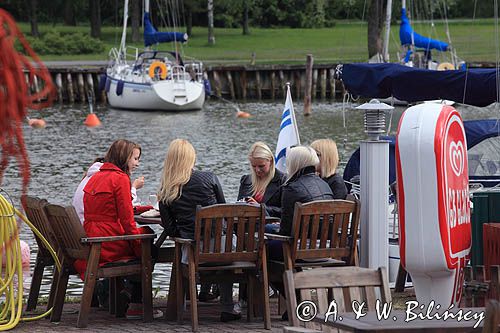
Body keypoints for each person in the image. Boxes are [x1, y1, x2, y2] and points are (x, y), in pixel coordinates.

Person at [74, 139, 160, 320]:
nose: (137, 163)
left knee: (144, 241)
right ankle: (136, 303)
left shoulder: (96, 176)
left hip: (93, 240)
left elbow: (110, 208)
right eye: (135, 158)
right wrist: (140, 240)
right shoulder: (120, 178)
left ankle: (125, 294)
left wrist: (144, 209)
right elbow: (128, 223)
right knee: (148, 243)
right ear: (125, 157)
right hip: (107, 244)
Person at [157, 139, 240, 322]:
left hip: (194, 251)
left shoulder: (166, 189)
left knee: (197, 251)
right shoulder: (209, 178)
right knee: (223, 251)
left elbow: (170, 229)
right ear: (191, 158)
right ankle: (228, 306)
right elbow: (223, 210)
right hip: (226, 248)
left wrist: (188, 232)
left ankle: (185, 306)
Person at [267, 146, 333, 319]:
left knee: (262, 253)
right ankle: (302, 298)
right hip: (326, 247)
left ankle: (298, 300)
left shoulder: (292, 188)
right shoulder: (324, 184)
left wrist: (271, 230)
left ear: (294, 162)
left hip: (300, 248)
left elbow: (286, 231)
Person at [72, 157, 145, 224]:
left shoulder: (92, 175)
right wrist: (134, 188)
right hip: (92, 230)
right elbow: (125, 207)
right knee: (146, 231)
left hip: (81, 227)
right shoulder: (105, 177)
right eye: (135, 159)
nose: (137, 164)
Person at [238, 141, 286, 233]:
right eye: (253, 166)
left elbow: (285, 211)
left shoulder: (283, 180)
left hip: (270, 229)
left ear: (271, 161)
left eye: (261, 166)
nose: (257, 170)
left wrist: (260, 207)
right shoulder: (246, 180)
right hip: (246, 227)